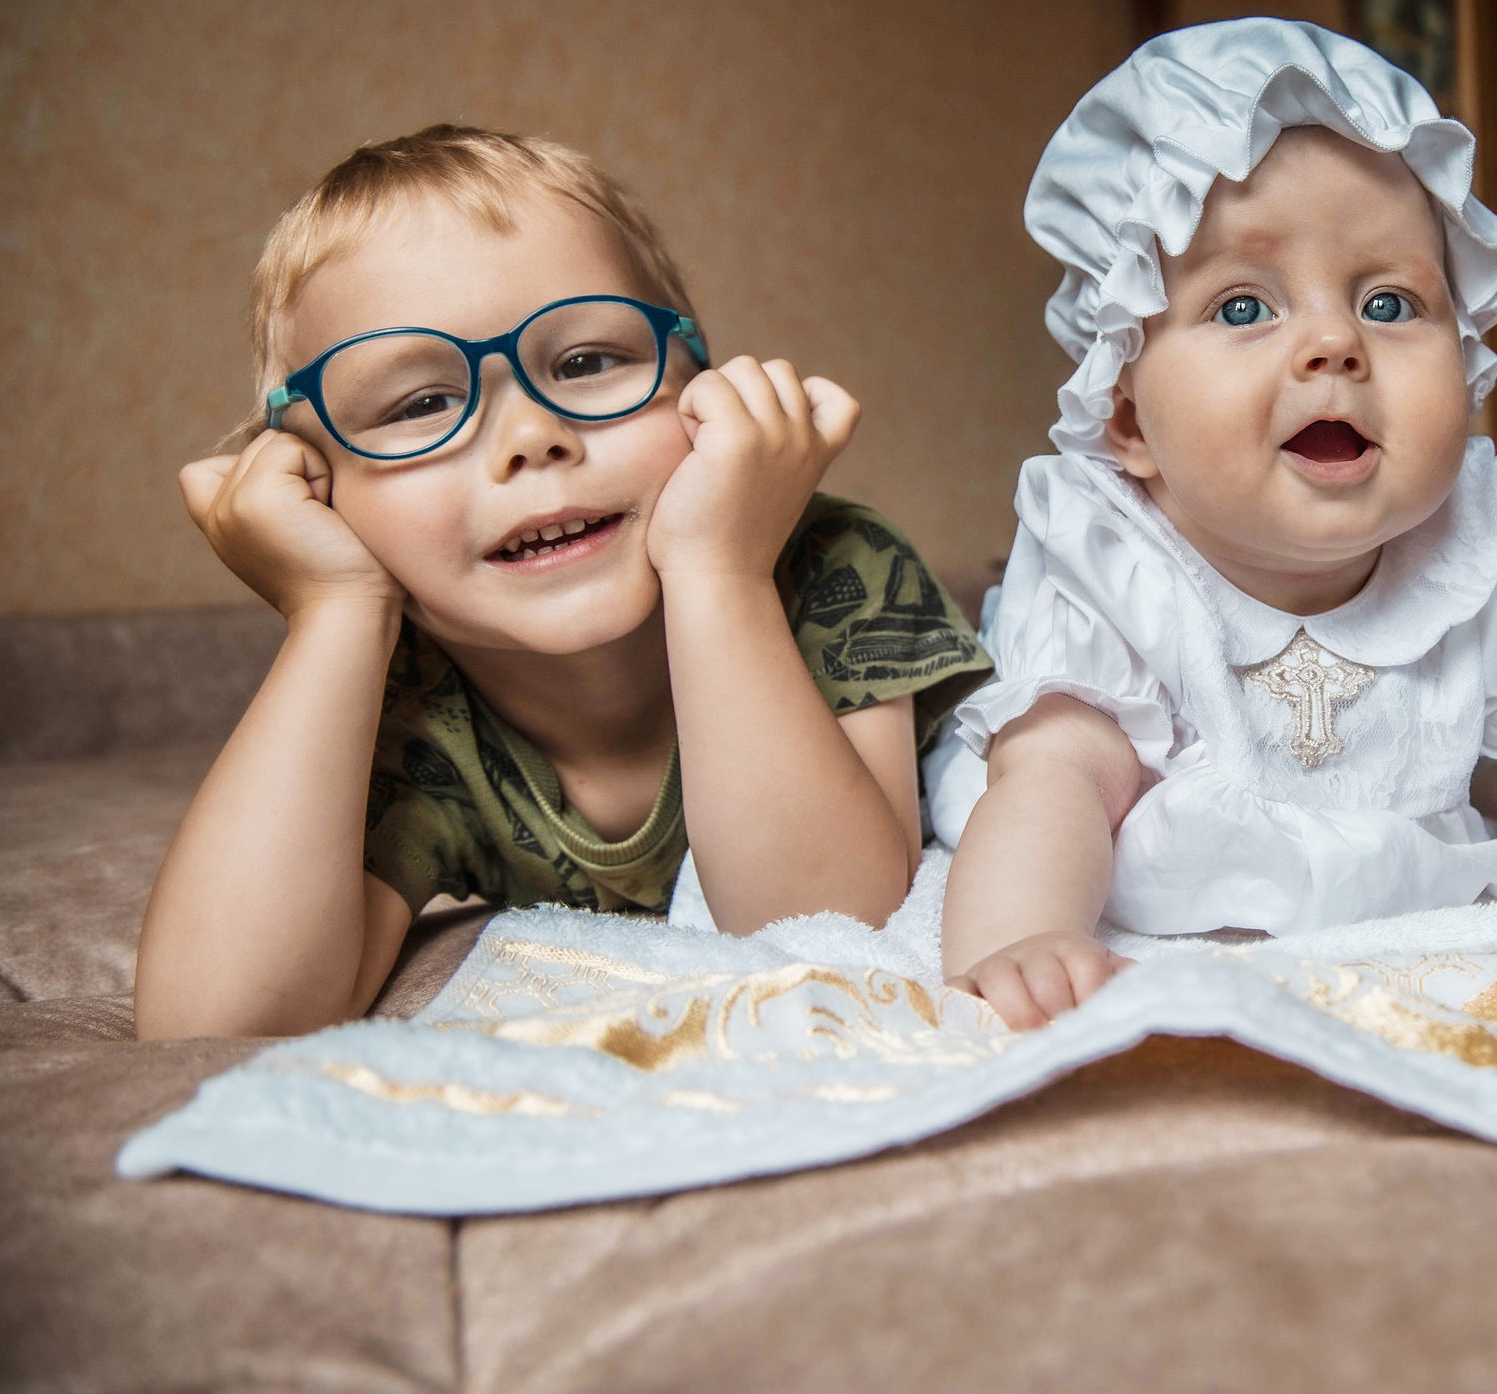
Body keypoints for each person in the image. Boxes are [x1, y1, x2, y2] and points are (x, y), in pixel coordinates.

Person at [938, 19, 1497, 1032]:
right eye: (1242, 308)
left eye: (1390, 301)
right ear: (1127, 416)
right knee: (1056, 759)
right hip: (1135, 870)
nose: (1334, 343)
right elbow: (1056, 773)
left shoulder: (1490, 537)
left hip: (1394, 871)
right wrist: (1021, 939)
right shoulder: (1107, 556)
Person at [134, 126, 989, 1040]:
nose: (531, 437)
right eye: (420, 404)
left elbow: (826, 922)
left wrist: (719, 569)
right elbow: (210, 1019)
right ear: (316, 481)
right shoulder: (408, 704)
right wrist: (334, 611)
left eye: (585, 362)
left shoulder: (830, 565)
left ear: (703, 386)